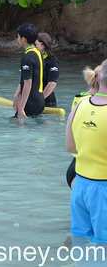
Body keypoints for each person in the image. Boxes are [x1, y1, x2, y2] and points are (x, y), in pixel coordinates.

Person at [66, 58, 107, 244]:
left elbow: (70, 147)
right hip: (103, 189)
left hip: (80, 186)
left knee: (80, 240)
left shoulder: (80, 104)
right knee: (103, 244)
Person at [66, 64, 102, 189]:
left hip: (77, 164)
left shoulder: (80, 99)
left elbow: (71, 146)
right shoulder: (93, 104)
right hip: (88, 171)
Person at [12, 23, 45, 118]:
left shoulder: (27, 57)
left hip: (31, 101)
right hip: (39, 99)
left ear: (24, 39)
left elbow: (27, 83)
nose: (17, 39)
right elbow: (24, 77)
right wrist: (16, 95)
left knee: (15, 126)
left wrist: (21, 107)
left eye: (18, 37)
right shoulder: (37, 53)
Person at [35, 32, 59, 107]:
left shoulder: (52, 62)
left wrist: (40, 100)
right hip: (34, 99)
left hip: (48, 102)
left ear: (44, 45)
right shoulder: (34, 59)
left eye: (35, 44)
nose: (33, 47)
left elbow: (52, 84)